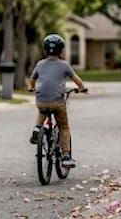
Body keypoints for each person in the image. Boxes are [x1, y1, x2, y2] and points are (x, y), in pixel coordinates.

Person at [28, 33, 87, 167]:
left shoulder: (40, 64)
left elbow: (32, 80)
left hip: (41, 99)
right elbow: (76, 79)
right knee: (63, 127)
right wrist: (82, 88)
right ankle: (66, 156)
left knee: (42, 110)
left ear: (45, 50)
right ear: (61, 50)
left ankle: (37, 129)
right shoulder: (64, 65)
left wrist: (31, 88)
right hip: (57, 101)